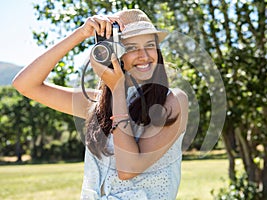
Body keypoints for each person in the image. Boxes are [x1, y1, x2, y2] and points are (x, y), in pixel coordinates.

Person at [12, 8, 188, 200]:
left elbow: (128, 169)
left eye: (150, 45)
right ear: (114, 53)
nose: (144, 55)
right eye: (130, 48)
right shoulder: (98, 103)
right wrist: (80, 34)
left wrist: (118, 90)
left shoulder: (173, 101)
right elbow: (25, 85)